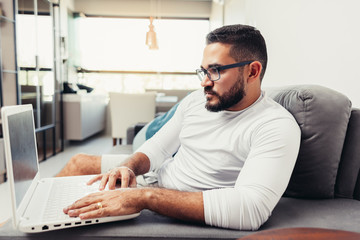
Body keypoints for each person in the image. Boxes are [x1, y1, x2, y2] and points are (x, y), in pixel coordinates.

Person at [59, 24, 301, 230]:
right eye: (204, 71)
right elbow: (157, 149)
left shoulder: (276, 126)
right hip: (152, 181)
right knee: (78, 162)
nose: (206, 82)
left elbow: (250, 209)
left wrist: (144, 197)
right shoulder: (198, 100)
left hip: (169, 201)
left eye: (216, 71)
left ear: (253, 71)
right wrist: (128, 167)